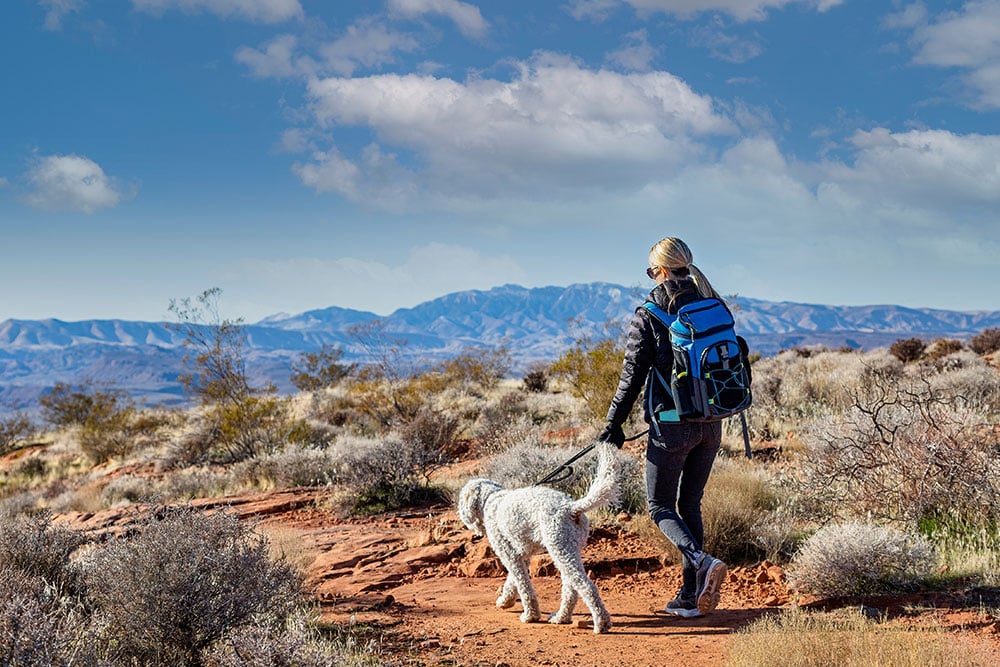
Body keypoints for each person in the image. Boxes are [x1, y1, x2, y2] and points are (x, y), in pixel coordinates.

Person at [598, 236, 728, 618]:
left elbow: (631, 378)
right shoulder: (712, 304)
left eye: (651, 270)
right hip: (711, 424)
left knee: (658, 506)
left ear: (662, 270)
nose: (651, 277)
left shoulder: (651, 312)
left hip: (671, 426)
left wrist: (613, 425)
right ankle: (690, 596)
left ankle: (701, 564)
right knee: (689, 504)